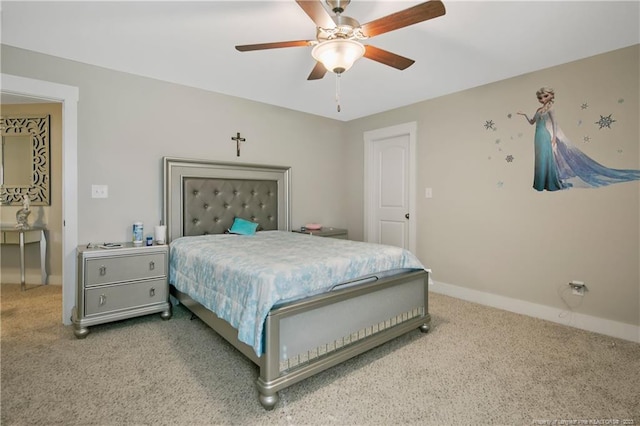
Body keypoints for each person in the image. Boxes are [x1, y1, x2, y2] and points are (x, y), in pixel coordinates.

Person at [518, 87, 640, 191]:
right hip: (537, 136)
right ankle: (540, 183)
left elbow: (555, 124)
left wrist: (554, 138)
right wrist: (524, 115)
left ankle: (549, 182)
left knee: (546, 157)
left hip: (545, 135)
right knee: (540, 159)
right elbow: (532, 122)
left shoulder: (551, 109)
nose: (542, 99)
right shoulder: (538, 110)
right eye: (540, 97)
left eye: (545, 96)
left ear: (551, 96)